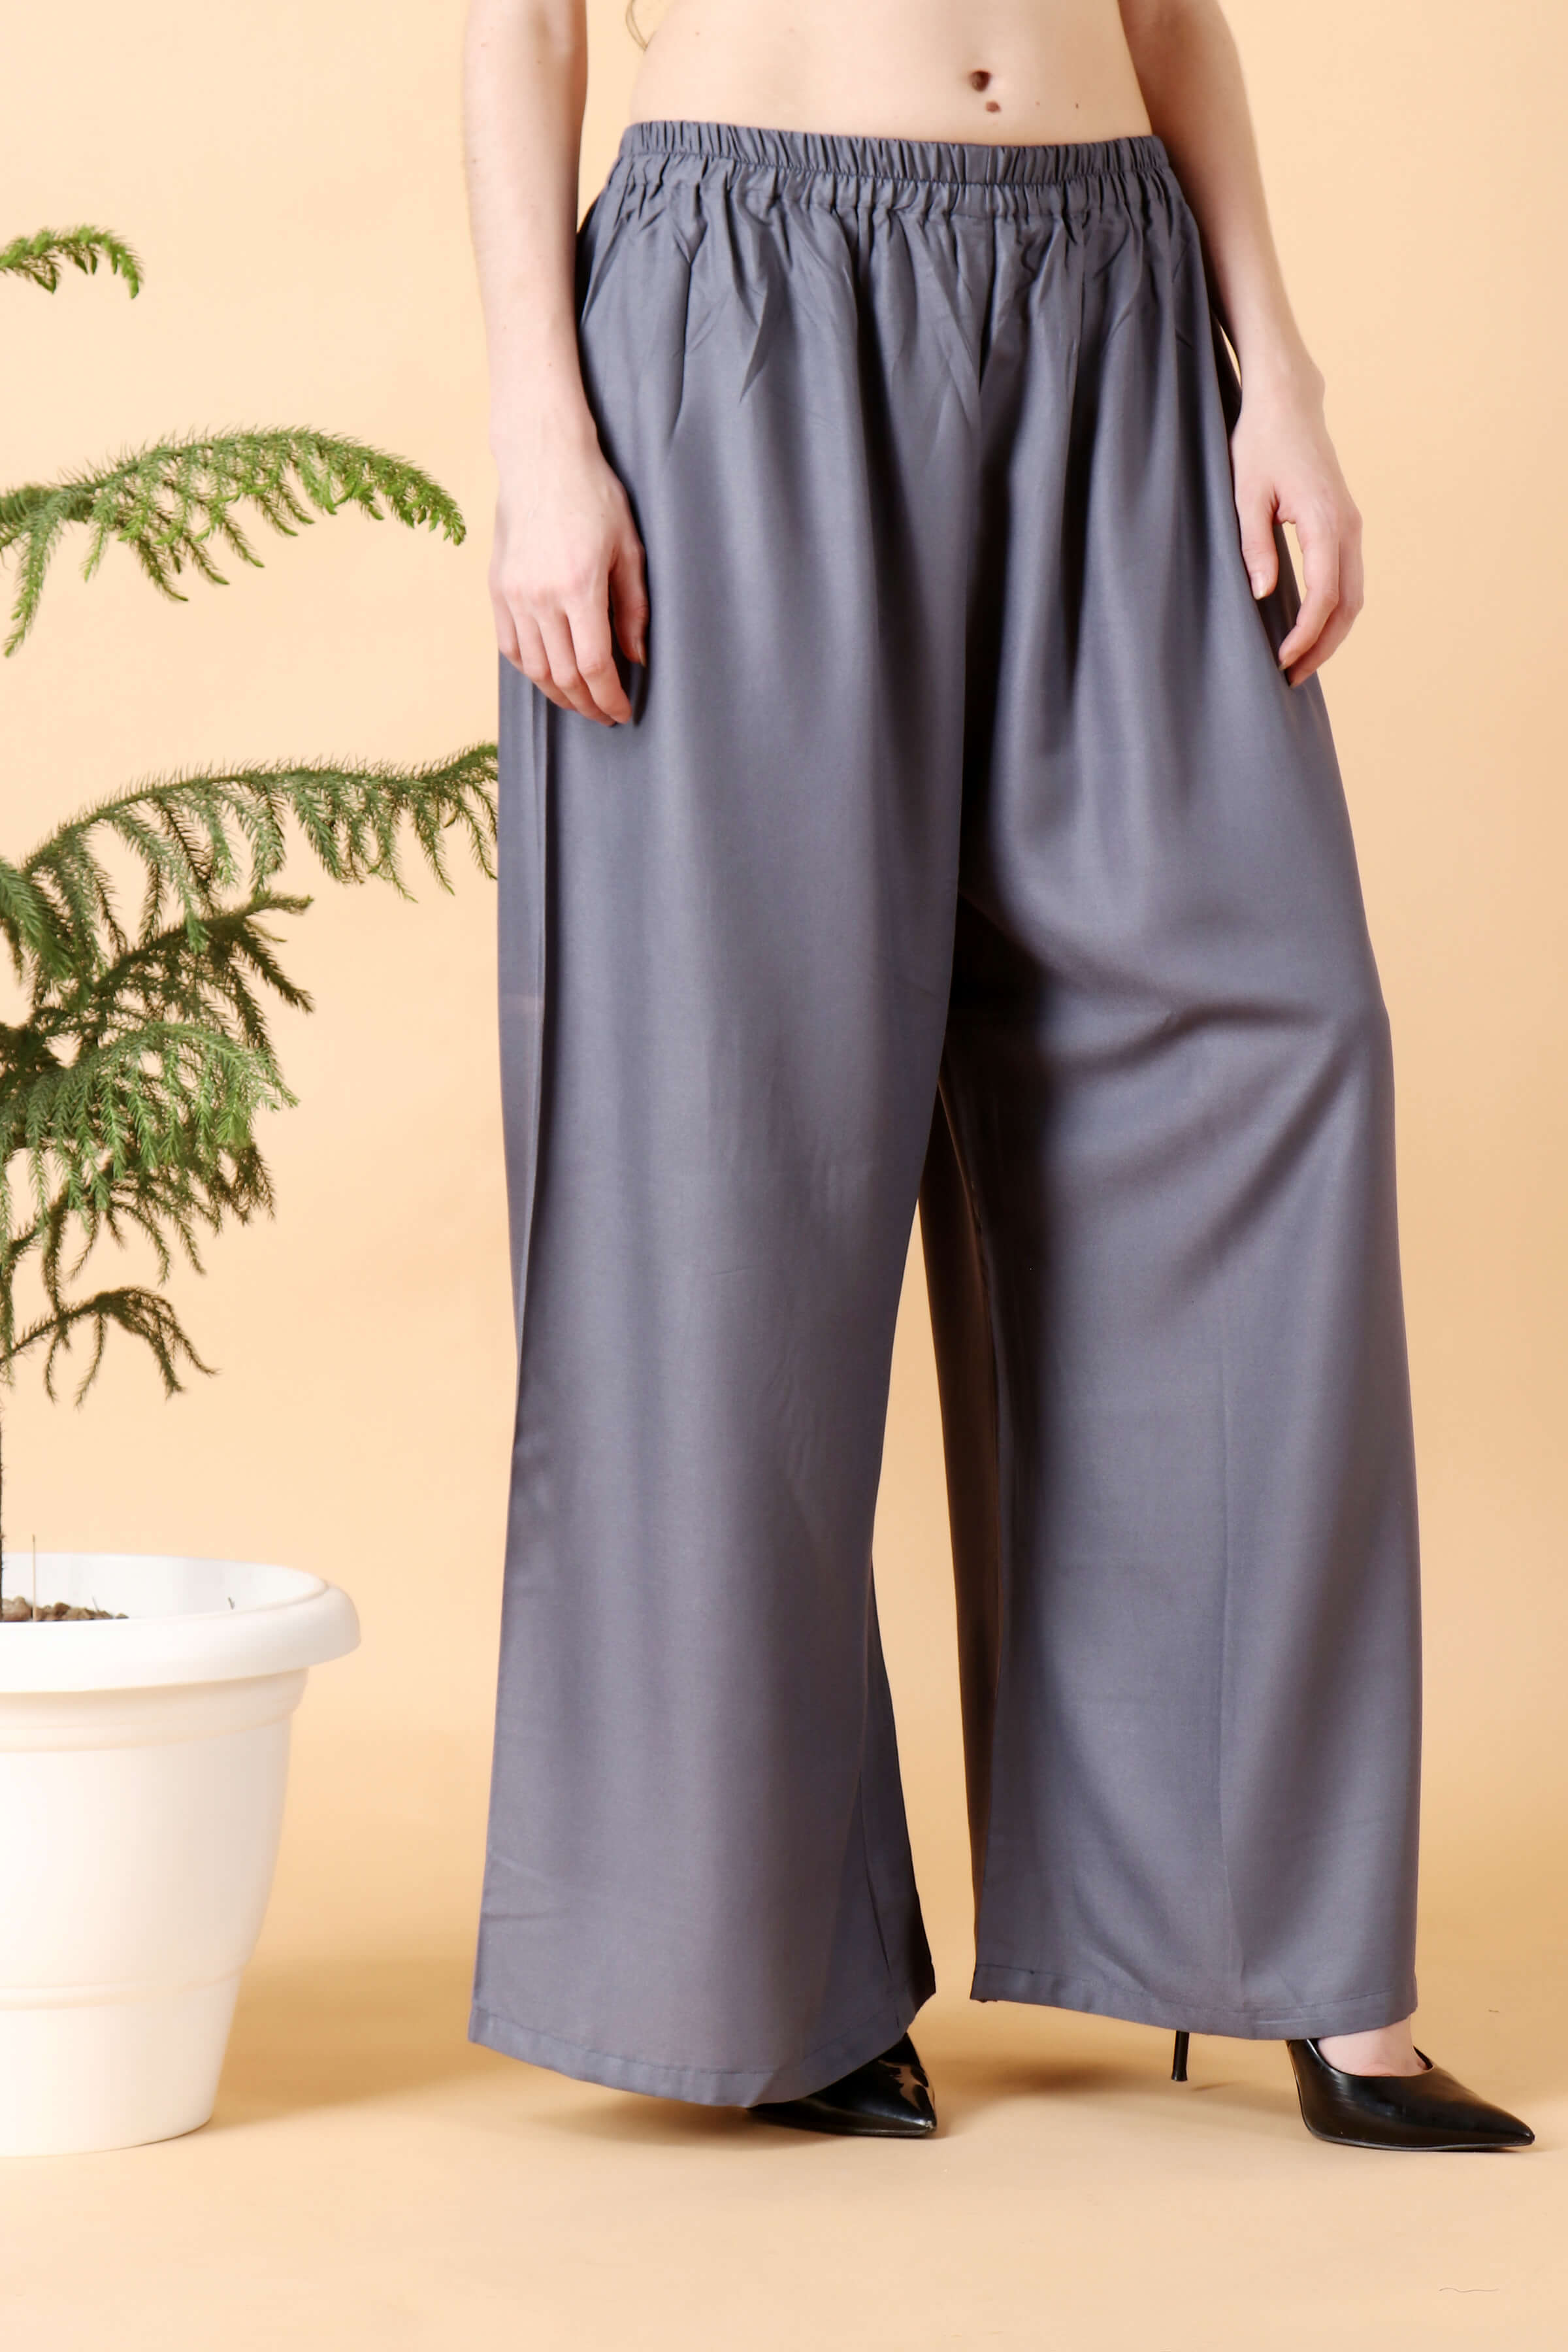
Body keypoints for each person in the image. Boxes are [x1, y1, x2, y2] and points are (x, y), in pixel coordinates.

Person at [460, 0, 1531, 2151]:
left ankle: (1296, 1947)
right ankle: (762, 1972)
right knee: (729, 1139)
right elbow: (524, 24)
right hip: (745, 300)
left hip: (1116, 305)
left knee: (1276, 1051)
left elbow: (1171, 16)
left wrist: (1280, 372)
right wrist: (541, 427)